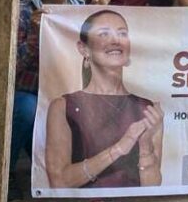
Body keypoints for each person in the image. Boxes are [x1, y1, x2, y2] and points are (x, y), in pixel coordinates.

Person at [0, 0, 105, 199]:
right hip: (14, 98)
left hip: (61, 99)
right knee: (26, 109)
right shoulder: (20, 13)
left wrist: (100, 16)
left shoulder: (82, 12)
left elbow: (96, 64)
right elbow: (7, 72)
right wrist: (35, 35)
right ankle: (2, 174)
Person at [44, 10, 165, 189]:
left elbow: (152, 186)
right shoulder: (63, 107)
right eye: (104, 33)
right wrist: (118, 149)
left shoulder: (147, 109)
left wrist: (145, 146)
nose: (116, 40)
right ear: (83, 49)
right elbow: (59, 182)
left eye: (122, 33)